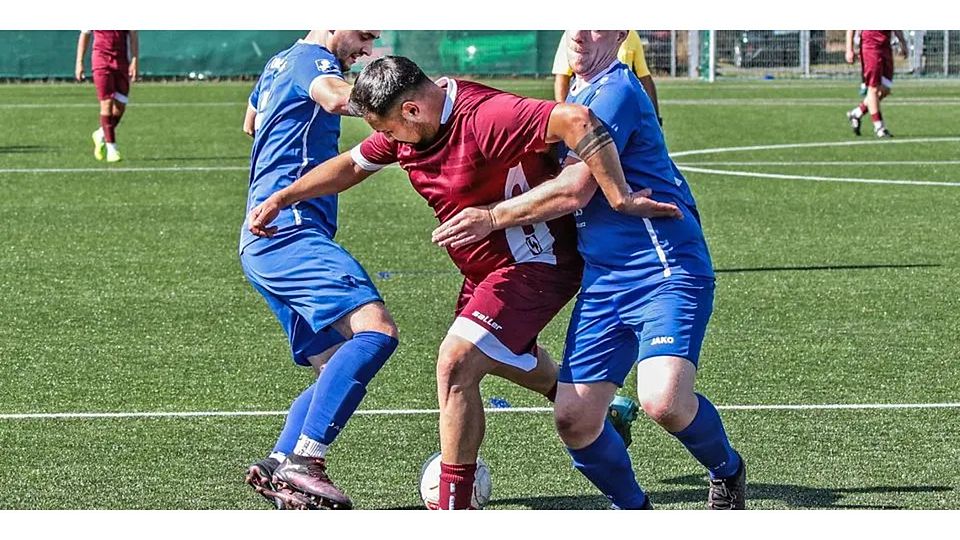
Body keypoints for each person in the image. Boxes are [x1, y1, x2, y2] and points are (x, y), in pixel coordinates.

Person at [247, 55, 677, 509]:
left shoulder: (487, 117)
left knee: (457, 362)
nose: (387, 140)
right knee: (495, 355)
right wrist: (284, 196)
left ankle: (454, 506)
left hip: (538, 260)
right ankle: (600, 407)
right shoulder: (410, 128)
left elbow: (577, 119)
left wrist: (619, 195)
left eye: (390, 129)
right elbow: (353, 165)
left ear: (413, 110)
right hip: (486, 268)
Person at [432, 31, 746, 510]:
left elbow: (575, 189)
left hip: (663, 267)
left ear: (621, 33)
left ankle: (727, 469)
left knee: (662, 401)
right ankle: (634, 510)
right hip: (603, 279)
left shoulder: (615, 91)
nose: (579, 32)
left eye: (596, 23)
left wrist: (491, 217)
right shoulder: (575, 94)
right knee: (574, 419)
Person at [239, 30, 398, 511]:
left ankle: (277, 463)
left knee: (332, 367)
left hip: (261, 241)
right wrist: (400, 101)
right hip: (290, 230)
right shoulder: (315, 62)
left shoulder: (279, 62)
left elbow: (250, 122)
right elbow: (333, 98)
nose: (367, 50)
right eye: (365, 35)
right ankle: (305, 462)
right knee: (376, 332)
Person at [552, 30, 661, 125]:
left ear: (621, 36)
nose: (576, 36)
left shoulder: (617, 91)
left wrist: (656, 118)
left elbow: (644, 77)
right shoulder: (579, 88)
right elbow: (561, 78)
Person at [75, 30, 139, 163]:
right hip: (101, 60)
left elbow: (133, 37)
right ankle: (112, 148)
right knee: (106, 103)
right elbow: (85, 34)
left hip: (121, 61)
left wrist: (134, 61)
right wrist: (79, 61)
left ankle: (101, 134)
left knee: (120, 105)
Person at [845, 30, 908, 138]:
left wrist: (903, 42)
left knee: (885, 89)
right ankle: (879, 127)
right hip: (870, 45)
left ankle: (857, 113)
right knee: (873, 88)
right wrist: (849, 49)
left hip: (885, 46)